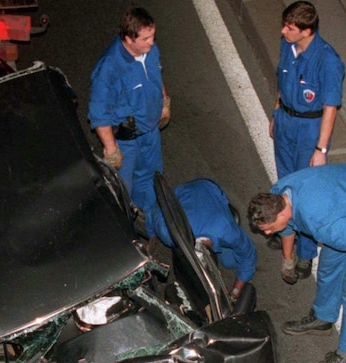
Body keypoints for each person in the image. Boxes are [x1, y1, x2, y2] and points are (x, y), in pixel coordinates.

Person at [247, 163, 346, 363]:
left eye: (269, 228)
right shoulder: (278, 194)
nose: (268, 234)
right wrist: (288, 259)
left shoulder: (319, 222)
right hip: (345, 202)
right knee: (328, 268)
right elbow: (287, 227)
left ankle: (344, 356)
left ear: (282, 212)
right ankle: (323, 317)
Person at [269, 1, 345, 279]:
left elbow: (330, 107)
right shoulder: (287, 46)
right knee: (285, 185)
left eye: (290, 28)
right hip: (286, 122)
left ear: (306, 31)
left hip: (310, 128)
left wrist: (321, 149)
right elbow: (281, 80)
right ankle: (286, 243)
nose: (283, 31)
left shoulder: (328, 61)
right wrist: (276, 112)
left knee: (307, 192)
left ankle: (307, 251)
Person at [88, 6, 170, 231]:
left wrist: (163, 101)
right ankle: (126, 233)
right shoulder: (109, 68)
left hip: (150, 132)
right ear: (128, 38)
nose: (151, 42)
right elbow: (99, 114)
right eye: (145, 39)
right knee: (123, 189)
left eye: (152, 36)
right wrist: (111, 149)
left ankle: (150, 220)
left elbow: (156, 75)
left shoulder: (150, 51)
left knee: (152, 178)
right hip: (127, 140)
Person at [146, 178, 257, 300]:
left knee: (230, 262)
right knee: (229, 260)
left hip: (208, 187)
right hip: (183, 193)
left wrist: (236, 291)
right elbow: (152, 213)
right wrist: (151, 239)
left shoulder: (227, 231)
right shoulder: (168, 232)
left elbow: (248, 254)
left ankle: (225, 208)